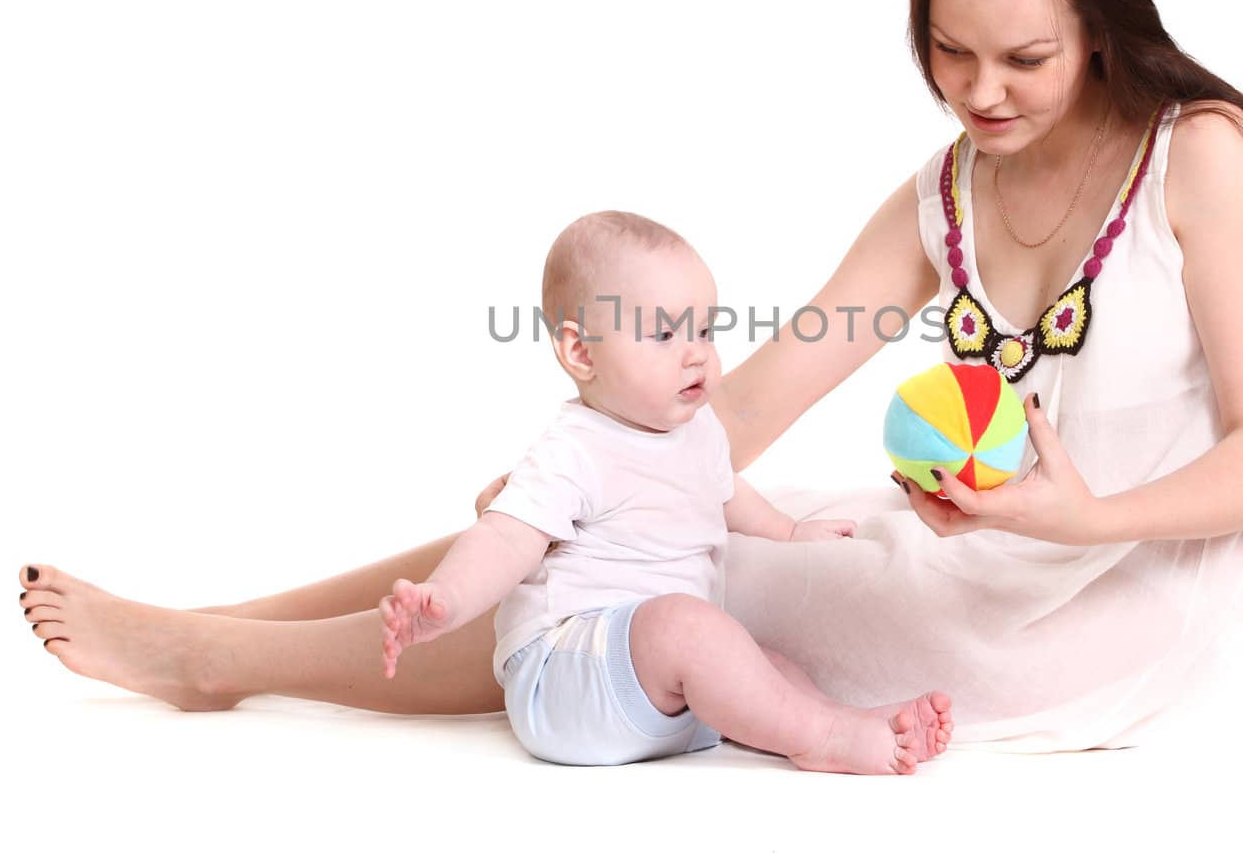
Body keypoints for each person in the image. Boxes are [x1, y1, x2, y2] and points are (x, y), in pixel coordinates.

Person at [17, 0, 1243, 751]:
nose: (980, 90)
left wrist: (1088, 514)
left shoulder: (1203, 154)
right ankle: (232, 630)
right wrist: (594, 449)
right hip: (993, 541)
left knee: (629, 555)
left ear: (1101, 29)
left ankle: (229, 655)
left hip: (1118, 592)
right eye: (948, 50)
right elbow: (773, 383)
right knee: (594, 499)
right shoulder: (948, 187)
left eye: (1026, 58)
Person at [377, 210, 952, 773]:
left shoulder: (695, 431)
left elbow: (726, 494)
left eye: (704, 330)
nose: (696, 351)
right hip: (569, 680)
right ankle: (823, 737)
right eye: (665, 334)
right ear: (582, 352)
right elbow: (504, 537)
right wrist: (445, 599)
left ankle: (845, 719)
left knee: (759, 660)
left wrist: (791, 530)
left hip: (658, 687)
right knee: (693, 630)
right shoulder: (574, 449)